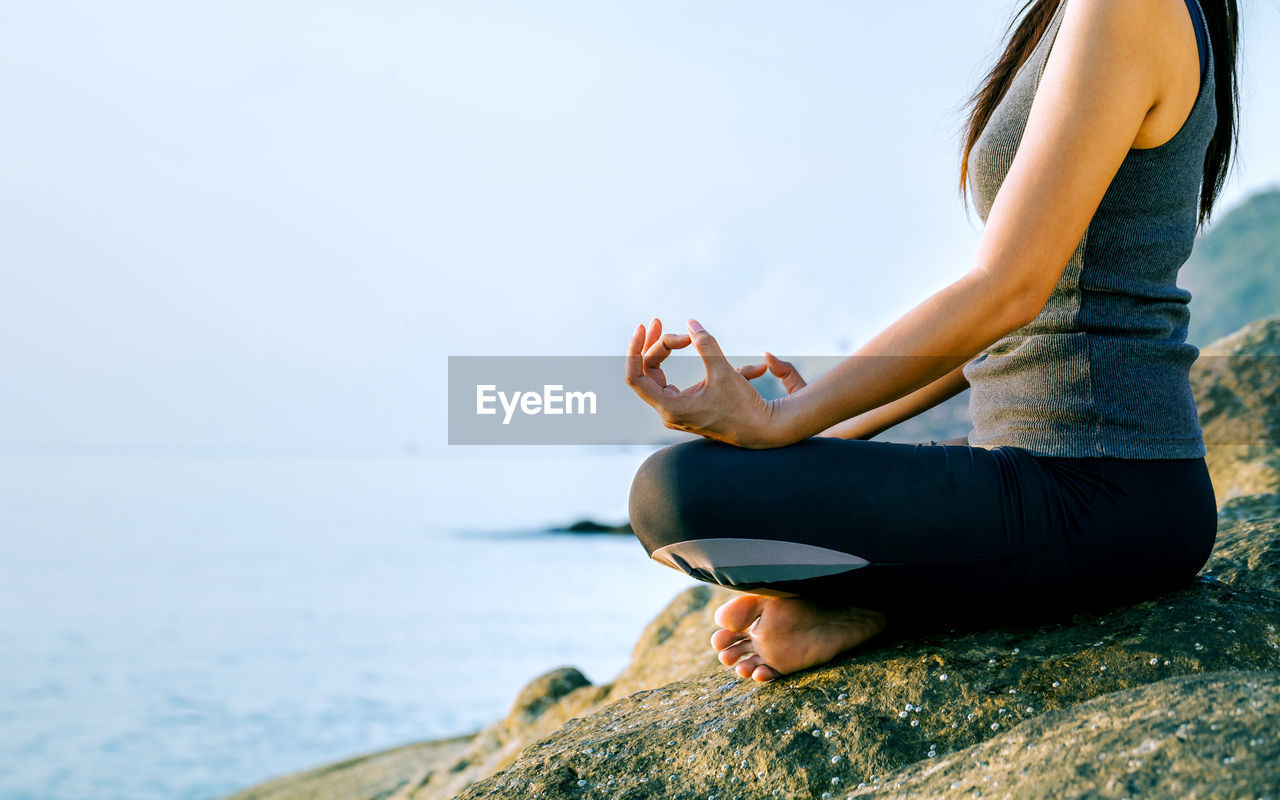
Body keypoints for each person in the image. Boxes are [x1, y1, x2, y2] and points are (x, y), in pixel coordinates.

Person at [624, 0, 1241, 683]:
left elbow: (1008, 289)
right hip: (1053, 476)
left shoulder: (1129, 7)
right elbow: (1018, 320)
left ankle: (881, 597)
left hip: (1109, 485)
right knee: (699, 485)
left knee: (672, 492)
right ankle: (880, 600)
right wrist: (837, 423)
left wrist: (780, 419)